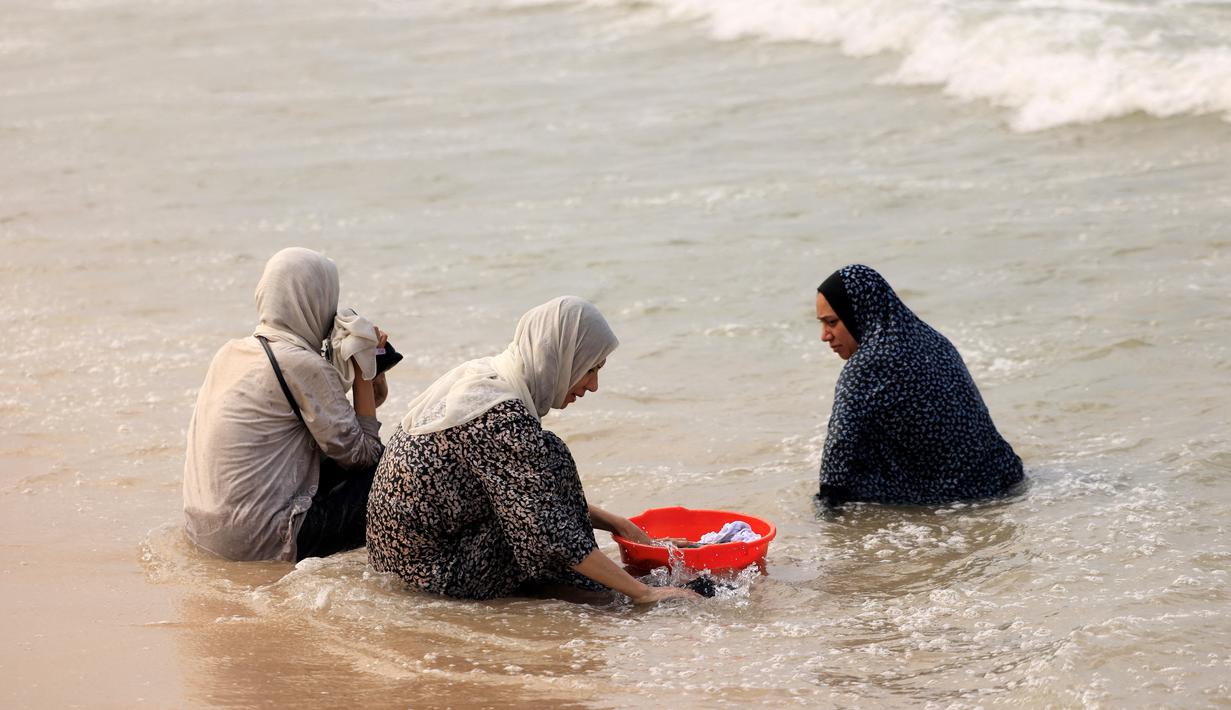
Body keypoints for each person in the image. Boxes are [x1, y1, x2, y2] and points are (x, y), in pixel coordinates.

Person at [366, 296, 696, 604]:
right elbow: (547, 529)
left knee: (546, 454)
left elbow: (527, 492)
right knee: (552, 465)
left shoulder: (488, 377)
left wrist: (621, 525)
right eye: (591, 368)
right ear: (564, 356)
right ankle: (592, 591)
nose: (593, 385)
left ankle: (585, 582)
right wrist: (643, 593)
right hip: (431, 574)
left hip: (402, 557)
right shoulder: (500, 414)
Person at [183, 247, 390, 562]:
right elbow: (364, 455)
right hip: (261, 541)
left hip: (204, 531)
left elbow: (341, 429)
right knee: (398, 473)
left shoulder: (230, 352)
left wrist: (362, 363)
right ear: (315, 301)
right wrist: (362, 369)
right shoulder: (302, 365)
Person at [814, 264, 1024, 506]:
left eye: (831, 322)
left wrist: (827, 513)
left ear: (858, 313)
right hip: (1003, 476)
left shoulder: (865, 366)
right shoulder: (933, 339)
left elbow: (839, 450)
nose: (824, 335)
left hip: (956, 498)